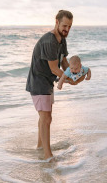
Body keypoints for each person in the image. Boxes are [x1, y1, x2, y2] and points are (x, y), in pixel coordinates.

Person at [26, 10, 85, 161]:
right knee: (45, 118)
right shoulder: (50, 41)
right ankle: (48, 155)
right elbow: (54, 68)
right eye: (65, 25)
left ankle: (40, 147)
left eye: (70, 26)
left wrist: (74, 74)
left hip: (47, 82)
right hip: (38, 82)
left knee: (46, 117)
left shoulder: (62, 39)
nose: (67, 29)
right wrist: (69, 80)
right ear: (57, 22)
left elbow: (64, 62)